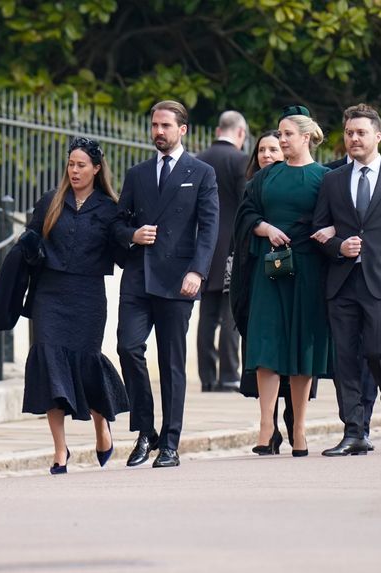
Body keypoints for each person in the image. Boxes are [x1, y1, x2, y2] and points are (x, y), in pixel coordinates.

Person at [313, 104, 381, 456]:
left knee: (378, 350)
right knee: (344, 359)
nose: (354, 138)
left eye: (360, 132)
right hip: (342, 282)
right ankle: (354, 431)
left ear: (377, 136)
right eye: (349, 133)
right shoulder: (332, 180)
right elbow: (318, 230)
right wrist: (338, 246)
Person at [114, 100, 220, 468]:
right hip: (139, 277)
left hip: (179, 281)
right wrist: (133, 235)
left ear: (182, 130)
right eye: (155, 125)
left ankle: (170, 443)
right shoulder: (137, 174)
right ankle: (146, 431)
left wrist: (197, 271)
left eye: (165, 126)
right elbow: (117, 223)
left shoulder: (201, 172)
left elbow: (209, 229)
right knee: (128, 348)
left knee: (172, 362)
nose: (158, 131)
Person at [21, 137, 129, 474]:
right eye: (71, 164)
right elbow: (31, 236)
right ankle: (59, 450)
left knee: (86, 364)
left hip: (88, 295)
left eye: (82, 165)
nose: (75, 170)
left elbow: (122, 255)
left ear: (97, 169)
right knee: (49, 360)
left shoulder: (110, 208)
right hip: (50, 295)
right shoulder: (50, 202)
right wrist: (31, 245)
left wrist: (133, 237)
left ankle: (101, 426)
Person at [232, 105, 332, 458]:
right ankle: (265, 427)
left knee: (303, 346)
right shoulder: (265, 177)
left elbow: (341, 216)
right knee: (265, 344)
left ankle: (300, 428)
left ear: (306, 137)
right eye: (279, 133)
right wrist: (265, 228)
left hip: (308, 269)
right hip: (268, 270)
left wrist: (331, 230)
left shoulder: (325, 177)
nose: (281, 139)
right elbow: (246, 214)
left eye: (287, 134)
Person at [196, 111, 248, 393]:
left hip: (203, 248)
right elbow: (244, 205)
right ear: (240, 133)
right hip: (231, 247)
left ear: (218, 129)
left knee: (206, 316)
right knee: (231, 314)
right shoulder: (240, 161)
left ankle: (207, 376)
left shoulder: (198, 159)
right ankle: (229, 374)